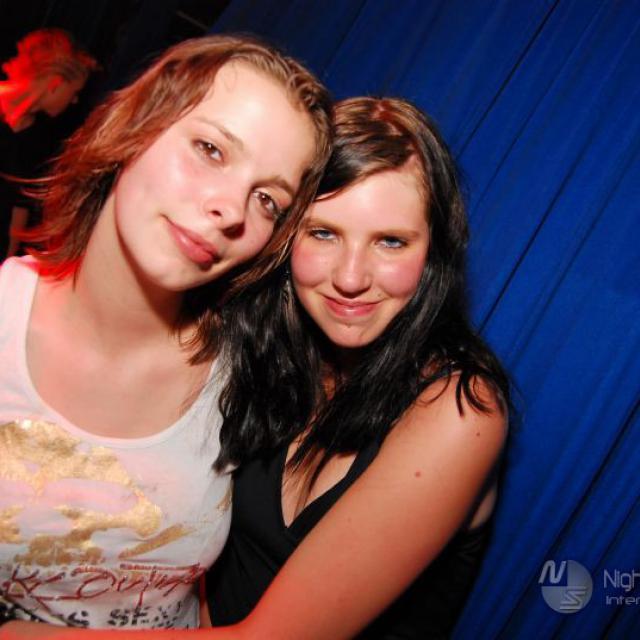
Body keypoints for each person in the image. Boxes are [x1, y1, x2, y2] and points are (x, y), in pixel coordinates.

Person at [5, 97, 508, 640]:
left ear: (433, 254)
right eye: (323, 233)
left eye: (391, 241)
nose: (351, 277)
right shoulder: (261, 352)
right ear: (284, 239)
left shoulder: (458, 411)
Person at [0, 33, 331, 632]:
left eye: (267, 199)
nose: (232, 208)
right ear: (134, 128)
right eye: (210, 149)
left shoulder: (247, 372)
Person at [0, 28, 98, 259]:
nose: (74, 101)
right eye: (74, 92)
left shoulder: (36, 137)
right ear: (55, 84)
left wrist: (8, 261)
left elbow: (19, 206)